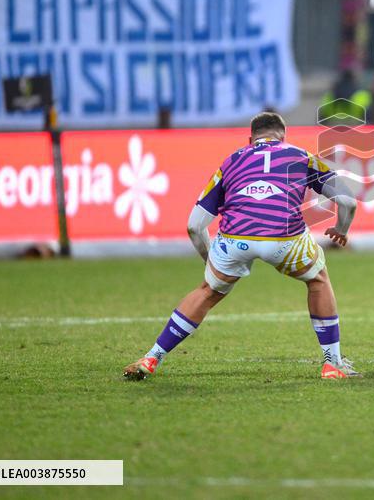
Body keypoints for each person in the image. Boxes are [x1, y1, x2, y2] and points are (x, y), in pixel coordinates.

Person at [123, 112, 361, 381]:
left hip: (235, 238)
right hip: (284, 237)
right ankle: (333, 364)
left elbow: (194, 225)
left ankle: (152, 357)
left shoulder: (232, 161)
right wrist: (341, 230)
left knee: (208, 291)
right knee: (317, 280)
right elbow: (348, 201)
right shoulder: (301, 155)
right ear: (283, 136)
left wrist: (210, 259)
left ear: (251, 139)